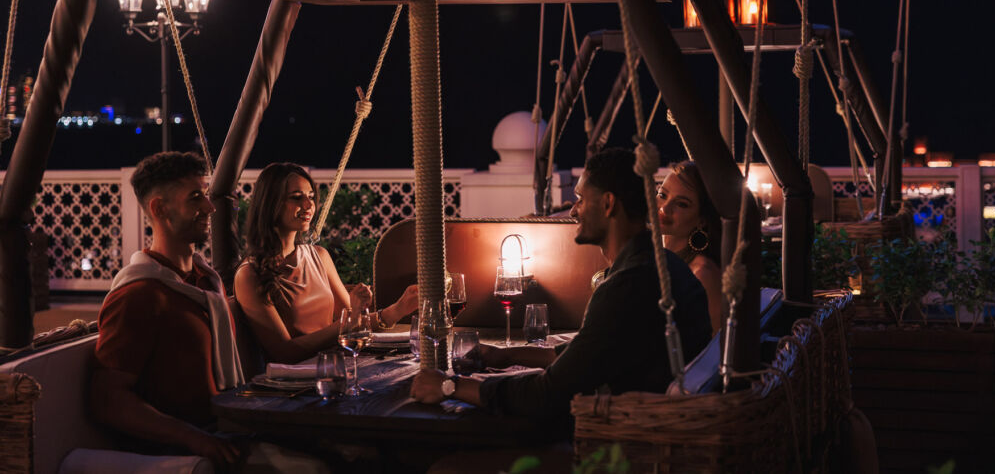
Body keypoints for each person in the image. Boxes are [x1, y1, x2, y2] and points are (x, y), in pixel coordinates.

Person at [410, 147, 712, 422]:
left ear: (608, 204)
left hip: (620, 441)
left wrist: (451, 386)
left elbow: (547, 396)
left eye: (581, 199)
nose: (572, 211)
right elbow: (586, 356)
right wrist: (508, 356)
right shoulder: (660, 266)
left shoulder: (629, 285)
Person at [91, 152, 246, 468]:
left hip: (228, 432)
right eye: (195, 198)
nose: (210, 207)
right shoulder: (141, 294)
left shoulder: (206, 282)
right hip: (181, 453)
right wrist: (194, 438)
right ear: (159, 209)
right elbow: (107, 399)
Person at [234, 162, 419, 363]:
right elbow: (285, 353)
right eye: (296, 198)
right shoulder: (250, 275)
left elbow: (354, 323)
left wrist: (399, 309)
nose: (308, 205)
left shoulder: (319, 256)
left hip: (337, 365)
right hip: (295, 384)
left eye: (311, 197)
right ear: (270, 204)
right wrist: (347, 323)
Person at [657, 161, 723, 334]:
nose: (665, 208)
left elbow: (716, 349)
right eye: (662, 195)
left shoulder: (702, 274)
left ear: (702, 219)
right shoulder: (652, 256)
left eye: (682, 204)